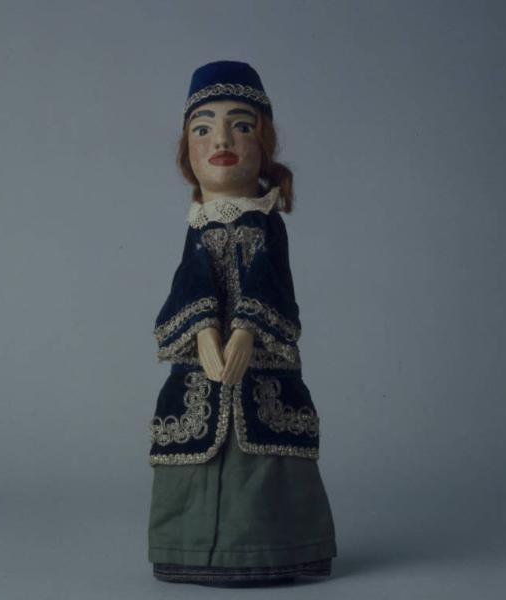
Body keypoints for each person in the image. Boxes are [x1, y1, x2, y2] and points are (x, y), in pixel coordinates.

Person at [147, 60, 338, 586]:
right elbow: (189, 280)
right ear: (186, 151)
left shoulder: (266, 223)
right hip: (202, 367)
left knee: (265, 452)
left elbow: (271, 280)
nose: (221, 140)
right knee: (198, 446)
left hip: (262, 365)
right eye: (202, 128)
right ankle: (186, 549)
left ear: (264, 144)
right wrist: (205, 332)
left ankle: (277, 549)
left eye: (241, 125)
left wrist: (249, 331)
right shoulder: (198, 226)